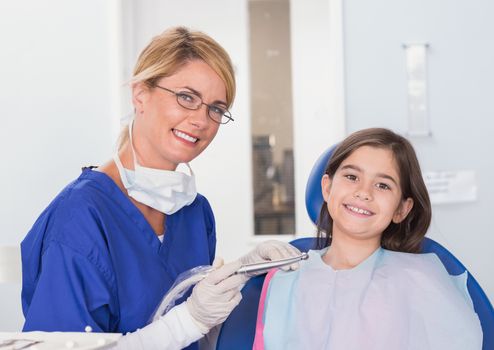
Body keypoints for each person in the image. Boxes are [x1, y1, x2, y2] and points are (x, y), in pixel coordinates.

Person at [20, 26, 300, 350]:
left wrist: (242, 280)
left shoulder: (195, 214)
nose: (201, 120)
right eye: (186, 97)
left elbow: (195, 338)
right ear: (140, 94)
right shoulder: (79, 218)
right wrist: (190, 318)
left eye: (216, 108)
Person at [252, 128, 483, 350]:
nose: (364, 192)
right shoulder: (285, 278)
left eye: (382, 185)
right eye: (352, 177)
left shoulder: (422, 284)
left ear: (402, 209)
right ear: (327, 187)